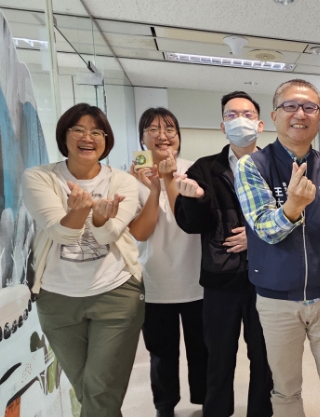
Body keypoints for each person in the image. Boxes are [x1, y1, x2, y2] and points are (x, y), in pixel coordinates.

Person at [235, 79, 320, 417]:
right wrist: (292, 208)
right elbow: (264, 228)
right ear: (274, 115)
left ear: (319, 117)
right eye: (290, 106)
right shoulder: (252, 166)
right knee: (285, 388)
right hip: (276, 299)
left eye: (310, 107)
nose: (300, 114)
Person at [22, 103, 143, 417]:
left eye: (97, 132)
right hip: (57, 298)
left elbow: (109, 234)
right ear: (64, 136)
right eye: (78, 130)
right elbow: (60, 233)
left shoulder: (123, 182)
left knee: (101, 389)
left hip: (116, 293)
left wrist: (99, 219)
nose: (87, 137)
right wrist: (79, 211)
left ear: (106, 140)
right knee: (87, 388)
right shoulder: (39, 178)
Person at [173, 91, 273, 417]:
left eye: (247, 114)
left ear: (260, 123)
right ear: (222, 125)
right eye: (232, 115)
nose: (239, 120)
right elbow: (191, 225)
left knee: (264, 358)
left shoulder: (276, 166)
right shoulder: (204, 169)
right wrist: (195, 199)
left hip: (267, 280)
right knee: (218, 358)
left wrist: (255, 238)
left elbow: (290, 218)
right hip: (220, 280)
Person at [128, 108, 207, 417]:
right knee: (161, 354)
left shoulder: (196, 170)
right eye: (153, 129)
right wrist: (154, 188)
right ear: (142, 137)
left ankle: (204, 402)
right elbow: (141, 232)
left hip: (197, 281)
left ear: (179, 136)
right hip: (154, 282)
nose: (162, 135)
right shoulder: (130, 178)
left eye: (169, 129)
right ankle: (165, 407)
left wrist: (170, 178)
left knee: (202, 349)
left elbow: (188, 221)